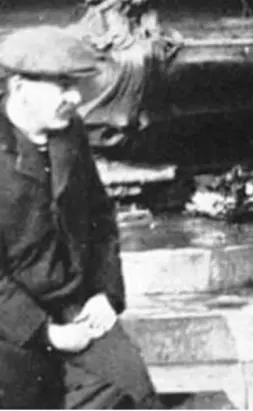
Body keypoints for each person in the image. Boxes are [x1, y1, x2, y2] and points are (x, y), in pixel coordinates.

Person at [0, 26, 160, 409]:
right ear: (21, 88)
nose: (75, 97)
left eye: (76, 84)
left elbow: (100, 220)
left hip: (75, 305)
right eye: (62, 85)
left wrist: (105, 293)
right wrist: (47, 333)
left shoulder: (69, 135)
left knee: (132, 392)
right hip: (11, 322)